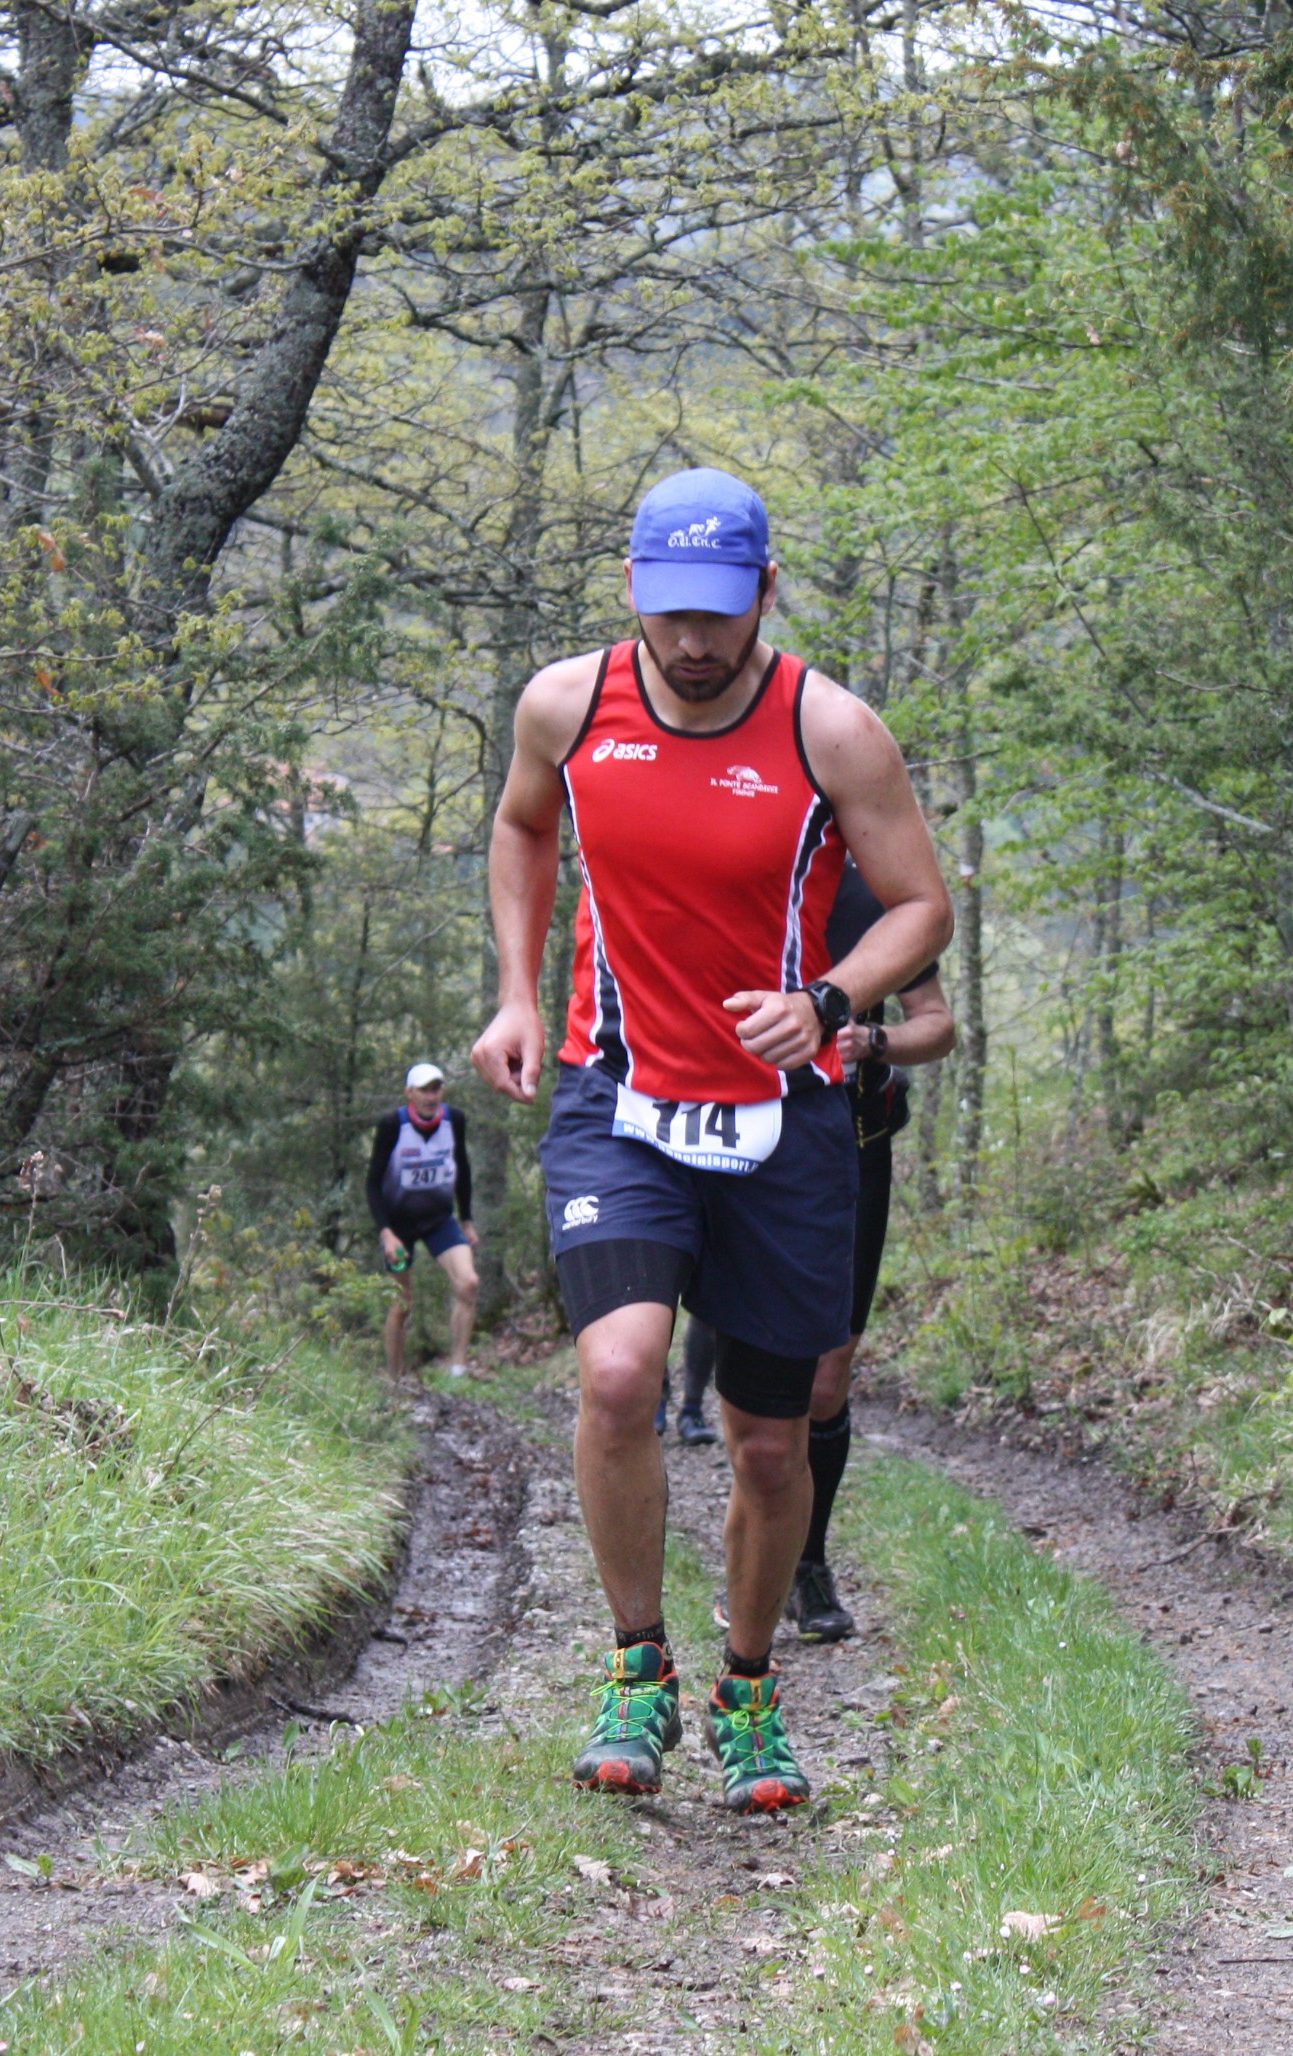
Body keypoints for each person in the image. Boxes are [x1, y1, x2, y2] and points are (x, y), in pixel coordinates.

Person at [471, 467, 950, 1814]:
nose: (694, 642)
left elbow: (921, 908)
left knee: (769, 1442)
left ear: (764, 598)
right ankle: (637, 1669)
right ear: (633, 590)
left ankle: (748, 1687)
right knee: (620, 1377)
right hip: (616, 1095)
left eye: (719, 616)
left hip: (783, 1122)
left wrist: (829, 1001)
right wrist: (518, 990)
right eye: (672, 613)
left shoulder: (833, 732)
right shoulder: (566, 705)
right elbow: (520, 828)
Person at [673, 858, 956, 1645]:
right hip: (729, 1141)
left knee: (826, 1381)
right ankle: (750, 1574)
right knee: (754, 1386)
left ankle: (806, 1563)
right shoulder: (729, 861)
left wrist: (874, 1038)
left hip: (854, 1148)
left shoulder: (874, 892)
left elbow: (939, 1024)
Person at [366, 1062, 479, 1383]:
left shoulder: (454, 1120)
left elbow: (462, 1167)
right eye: (424, 1090)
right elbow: (373, 1183)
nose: (431, 1096)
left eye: (436, 1088)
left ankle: (457, 1367)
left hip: (439, 1220)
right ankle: (395, 1377)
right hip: (398, 1226)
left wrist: (467, 1219)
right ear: (409, 1093)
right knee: (402, 1302)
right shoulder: (392, 1125)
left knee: (468, 1282)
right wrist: (386, 1234)